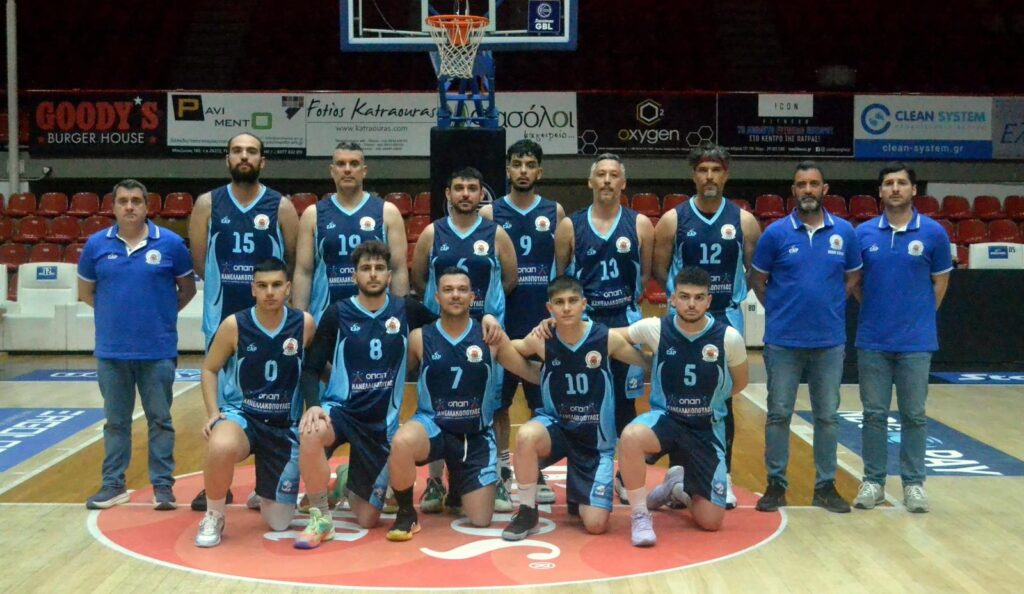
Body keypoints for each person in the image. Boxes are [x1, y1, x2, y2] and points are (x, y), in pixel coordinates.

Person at [291, 241, 501, 548]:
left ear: (389, 276)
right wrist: (313, 405)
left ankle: (347, 479)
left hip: (380, 424)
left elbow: (450, 326)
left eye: (379, 268)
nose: (373, 274)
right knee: (310, 432)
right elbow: (310, 368)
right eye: (366, 269)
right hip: (342, 411)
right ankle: (320, 516)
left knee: (367, 518)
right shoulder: (337, 313)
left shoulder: (406, 310)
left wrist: (487, 319)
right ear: (354, 276)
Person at [385, 267, 540, 541]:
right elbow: (392, 379)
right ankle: (406, 514)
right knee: (401, 442)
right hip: (433, 426)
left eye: (461, 290)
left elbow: (527, 370)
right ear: (437, 297)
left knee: (480, 520)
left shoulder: (490, 337)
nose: (455, 295)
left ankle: (457, 483)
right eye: (448, 290)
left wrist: (564, 365)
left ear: (472, 297)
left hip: (475, 435)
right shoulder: (420, 338)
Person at [187, 131, 299, 510]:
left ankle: (267, 478)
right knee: (223, 405)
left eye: (251, 151)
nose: (244, 156)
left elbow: (292, 260)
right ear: (228, 159)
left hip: (270, 320)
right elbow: (200, 261)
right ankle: (218, 485)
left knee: (269, 397)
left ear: (262, 161)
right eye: (237, 151)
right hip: (222, 317)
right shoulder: (208, 203)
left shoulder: (281, 206)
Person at [651, 142, 761, 509]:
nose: (709, 176)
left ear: (725, 175)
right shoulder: (673, 219)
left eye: (716, 170)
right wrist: (686, 302)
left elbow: (751, 270)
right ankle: (679, 475)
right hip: (682, 321)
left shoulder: (744, 221)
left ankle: (720, 475)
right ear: (693, 174)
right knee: (679, 400)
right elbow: (660, 268)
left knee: (719, 402)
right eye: (703, 170)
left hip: (725, 318)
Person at [499, 276, 650, 541]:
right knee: (526, 435)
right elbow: (505, 351)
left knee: (595, 524)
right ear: (549, 308)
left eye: (572, 301)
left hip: (594, 442)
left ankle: (579, 495)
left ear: (584, 304)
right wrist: (531, 371)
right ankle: (527, 511)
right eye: (559, 302)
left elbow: (646, 364)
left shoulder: (606, 338)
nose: (566, 308)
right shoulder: (541, 339)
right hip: (557, 427)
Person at [750, 161, 862, 514]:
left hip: (829, 342)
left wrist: (830, 304)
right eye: (802, 184)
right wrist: (781, 309)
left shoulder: (844, 232)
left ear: (824, 190)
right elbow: (758, 281)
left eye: (814, 184)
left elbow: (852, 277)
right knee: (778, 414)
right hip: (783, 341)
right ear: (793, 190)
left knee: (827, 416)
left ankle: (825, 487)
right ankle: (775, 485)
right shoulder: (775, 234)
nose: (808, 190)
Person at [78, 179, 197, 510]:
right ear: (113, 207)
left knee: (160, 421)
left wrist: (159, 313)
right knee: (116, 423)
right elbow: (86, 293)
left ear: (147, 207)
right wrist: (116, 316)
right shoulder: (95, 245)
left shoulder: (171, 244)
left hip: (157, 350)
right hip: (112, 352)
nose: (129, 206)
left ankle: (163, 487)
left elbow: (187, 290)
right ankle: (113, 485)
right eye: (123, 201)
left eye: (135, 200)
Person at [615, 266, 748, 546]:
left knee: (711, 522)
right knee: (631, 437)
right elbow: (608, 338)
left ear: (709, 301)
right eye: (684, 296)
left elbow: (740, 382)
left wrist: (708, 401)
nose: (691, 304)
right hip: (667, 419)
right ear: (672, 299)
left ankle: (676, 488)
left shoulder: (728, 338)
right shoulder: (655, 328)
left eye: (699, 297)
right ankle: (640, 515)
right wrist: (560, 327)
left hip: (706, 429)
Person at [411, 166, 518, 512]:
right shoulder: (432, 233)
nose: (466, 194)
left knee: (495, 406)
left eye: (472, 188)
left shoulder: (496, 234)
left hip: (485, 335)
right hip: (441, 335)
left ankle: (498, 476)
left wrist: (485, 314)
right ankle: (434, 481)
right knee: (436, 407)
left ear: (481, 194)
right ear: (448, 193)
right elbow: (419, 279)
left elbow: (510, 279)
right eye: (459, 188)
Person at [194, 258, 316, 547]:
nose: (269, 292)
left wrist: (318, 404)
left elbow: (314, 368)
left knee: (279, 522)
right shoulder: (234, 325)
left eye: (276, 285)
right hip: (243, 416)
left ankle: (265, 490)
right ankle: (214, 514)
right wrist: (213, 413)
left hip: (284, 426)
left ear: (288, 288)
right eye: (262, 286)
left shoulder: (304, 324)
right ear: (253, 289)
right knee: (221, 444)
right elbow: (209, 369)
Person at [852, 162, 952, 514]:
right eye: (889, 183)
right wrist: (878, 311)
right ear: (880, 191)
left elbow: (940, 282)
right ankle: (873, 482)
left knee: (914, 416)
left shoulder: (934, 233)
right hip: (873, 340)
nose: (895, 188)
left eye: (902, 183)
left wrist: (918, 316)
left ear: (913, 190)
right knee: (873, 415)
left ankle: (914, 485)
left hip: (916, 343)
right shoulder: (863, 233)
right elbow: (856, 284)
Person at [555, 152, 654, 502]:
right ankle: (585, 475)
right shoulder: (571, 226)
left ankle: (626, 477)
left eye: (614, 175)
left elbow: (645, 275)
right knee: (585, 402)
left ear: (623, 183)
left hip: (625, 321)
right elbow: (562, 276)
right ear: (590, 181)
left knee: (626, 404)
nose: (607, 180)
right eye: (601, 174)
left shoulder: (640, 224)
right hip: (586, 324)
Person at [480, 139, 565, 508]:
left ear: (540, 171)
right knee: (498, 404)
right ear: (508, 169)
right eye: (517, 164)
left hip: (541, 323)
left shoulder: (554, 211)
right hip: (503, 321)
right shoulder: (490, 214)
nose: (524, 171)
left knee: (541, 404)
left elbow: (562, 267)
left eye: (530, 165)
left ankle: (537, 470)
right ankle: (501, 469)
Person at [292, 141, 409, 322]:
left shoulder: (387, 212)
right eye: (341, 164)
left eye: (354, 164)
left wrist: (399, 319)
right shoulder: (313, 215)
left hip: (377, 319)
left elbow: (398, 270)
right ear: (332, 171)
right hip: (325, 318)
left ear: (364, 170)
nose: (347, 169)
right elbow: (303, 272)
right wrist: (299, 320)